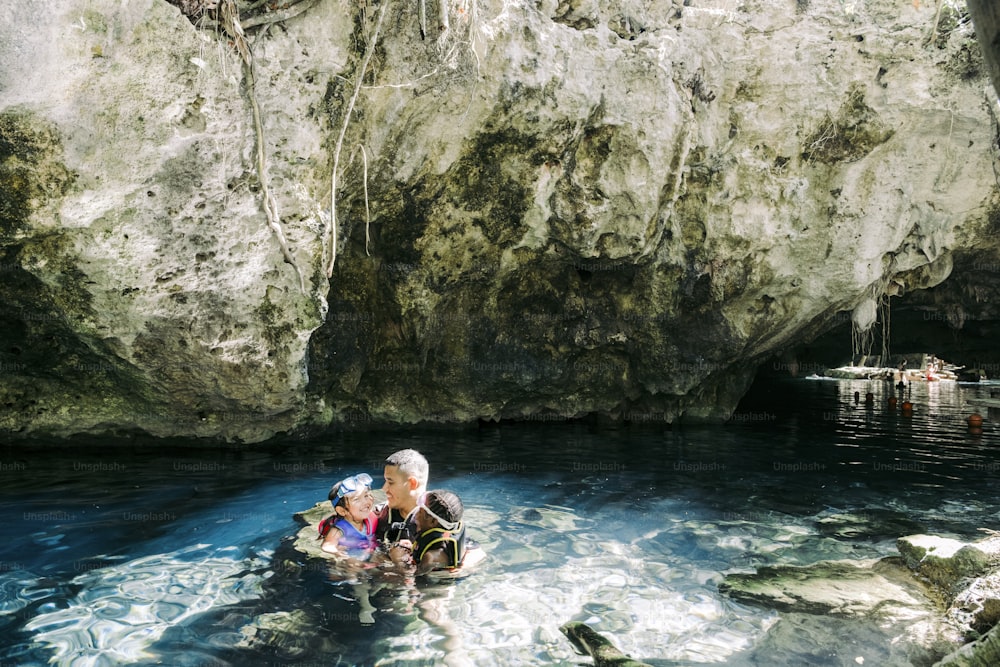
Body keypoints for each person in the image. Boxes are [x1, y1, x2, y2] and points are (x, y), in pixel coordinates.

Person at [376, 449, 429, 564]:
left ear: (412, 483)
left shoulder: (435, 520)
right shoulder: (378, 513)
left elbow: (470, 548)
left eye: (390, 482)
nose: (384, 489)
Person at [318, 472, 378, 557]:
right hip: (350, 558)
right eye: (357, 500)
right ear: (342, 511)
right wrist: (337, 552)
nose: (365, 502)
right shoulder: (339, 529)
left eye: (366, 495)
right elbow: (327, 546)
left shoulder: (370, 519)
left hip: (368, 553)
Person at [411, 490, 468, 575]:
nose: (416, 515)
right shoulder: (451, 535)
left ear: (433, 521)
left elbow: (411, 580)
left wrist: (397, 558)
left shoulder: (430, 558)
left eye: (420, 512)